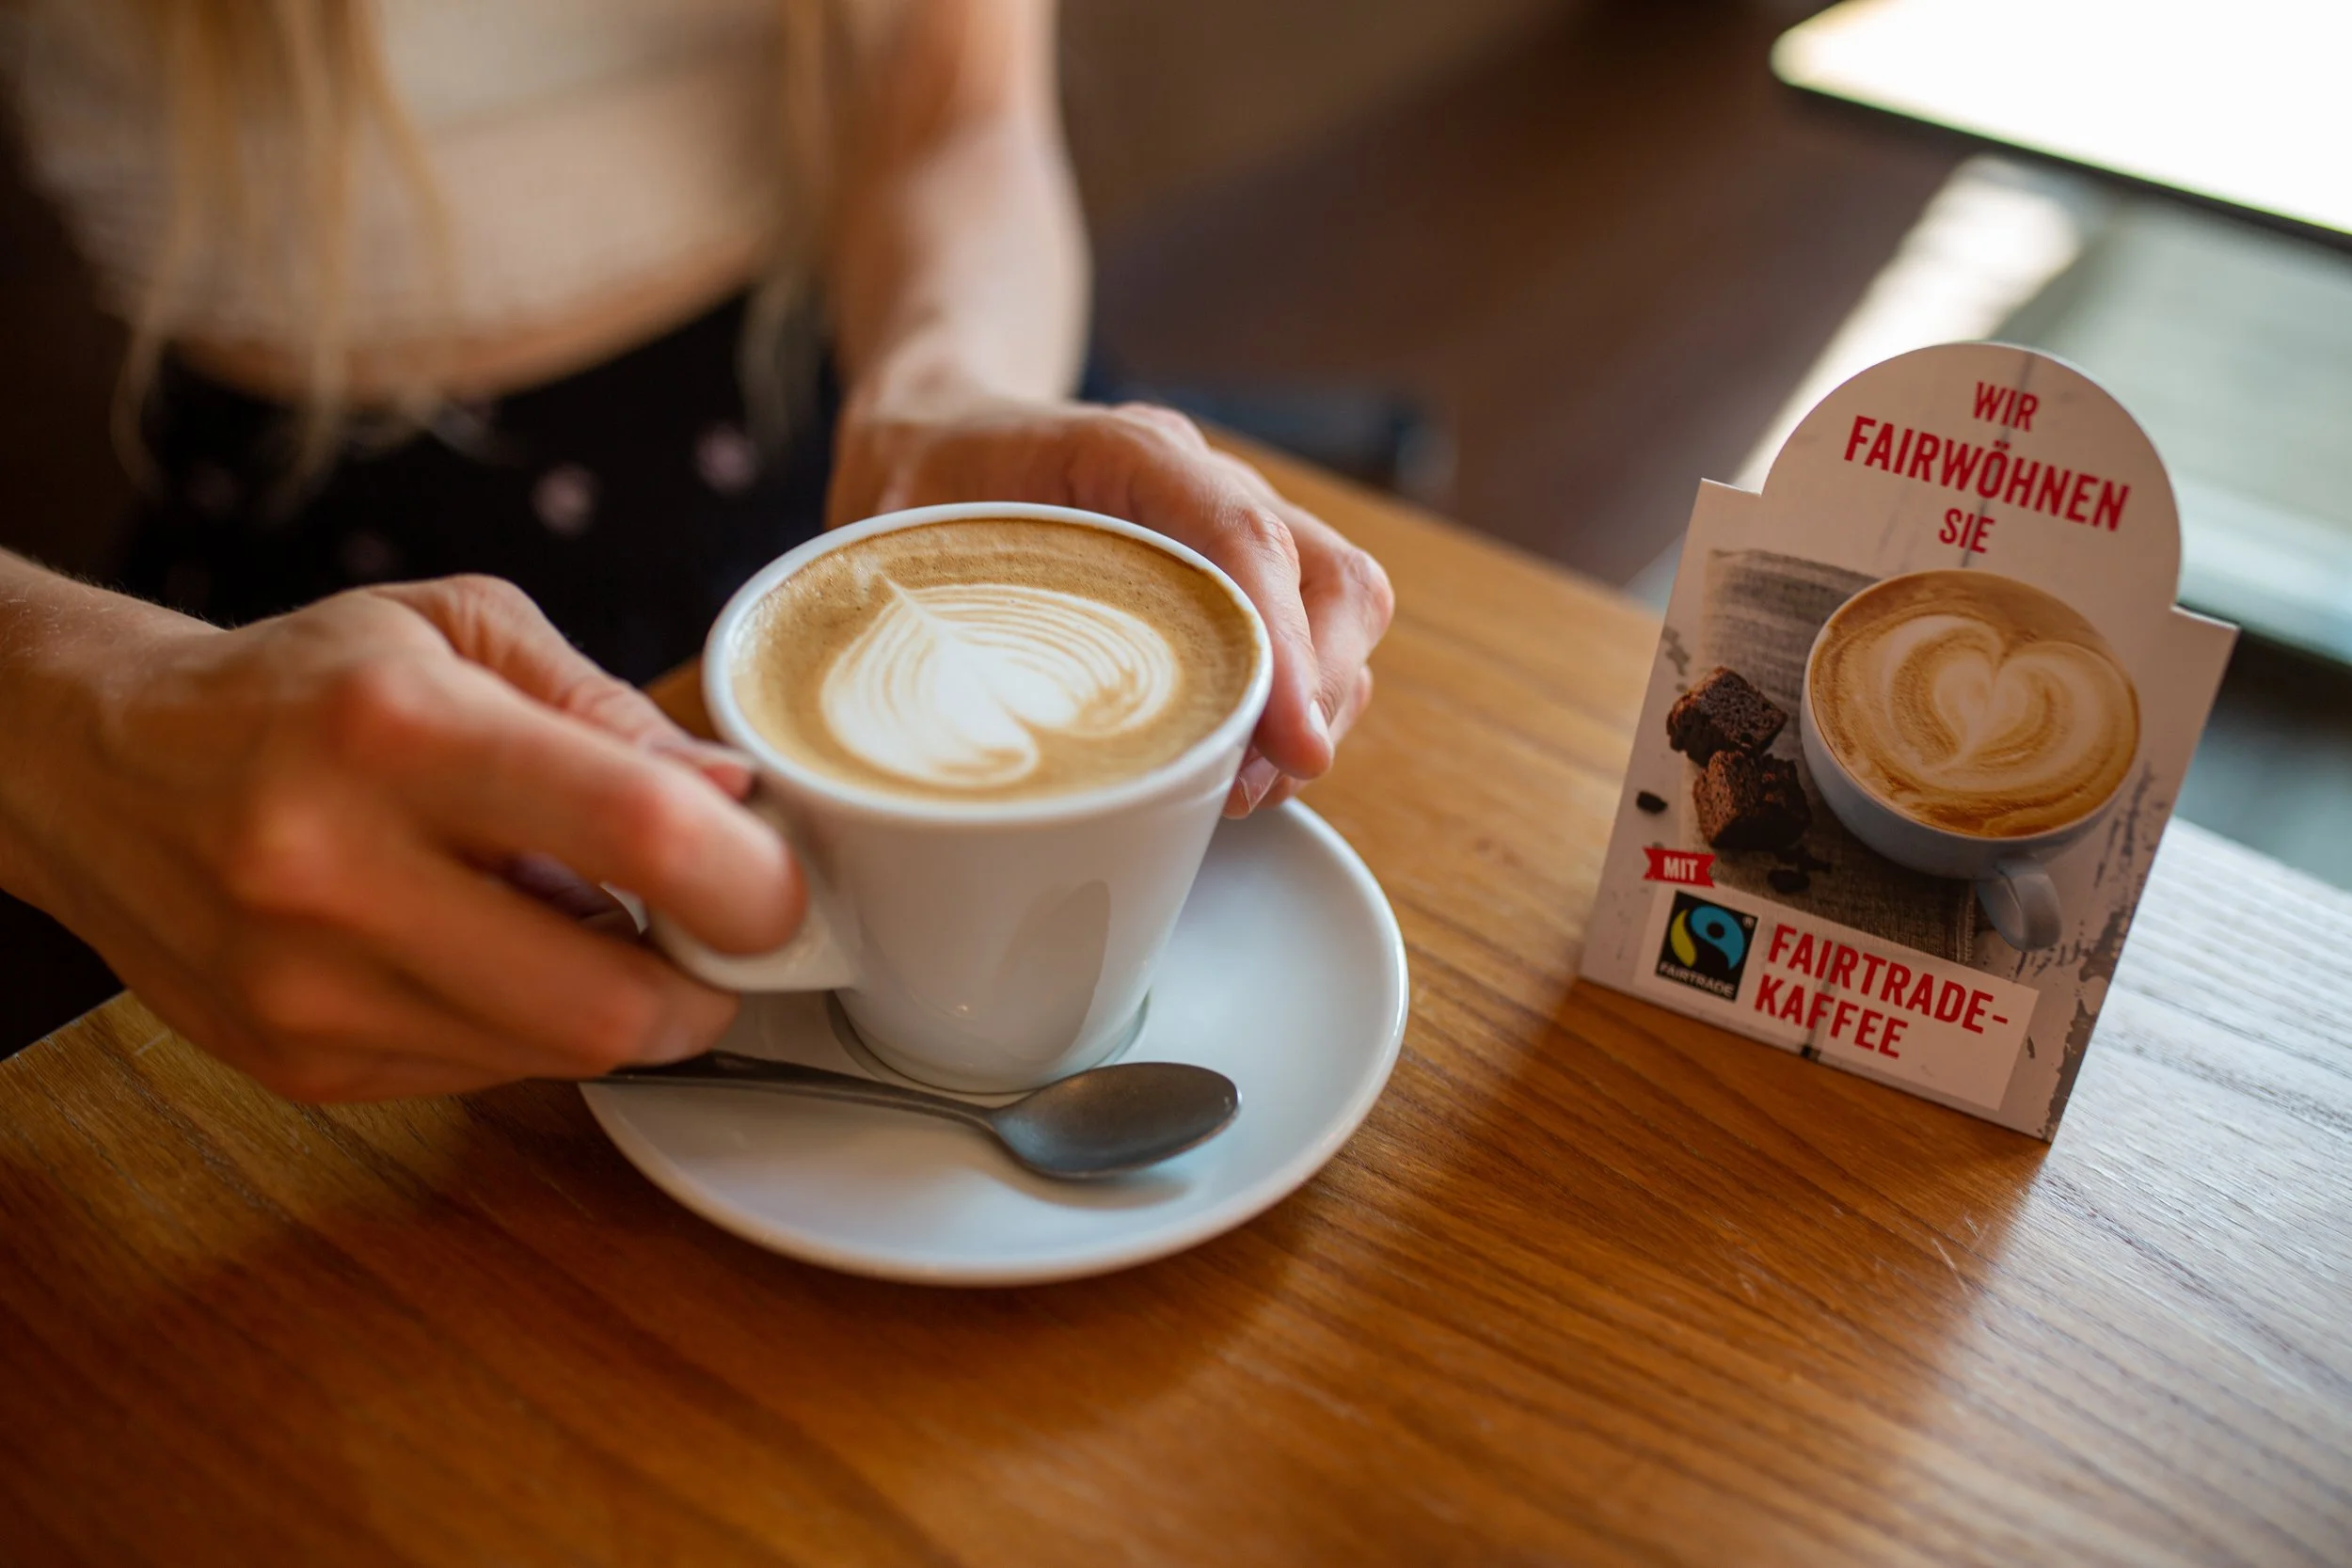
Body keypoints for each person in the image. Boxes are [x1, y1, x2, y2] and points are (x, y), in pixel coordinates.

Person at [0, 0, 1392, 1102]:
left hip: (882, 442)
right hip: (303, 634)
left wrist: (941, 400)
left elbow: (953, 113)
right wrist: (69, 717)